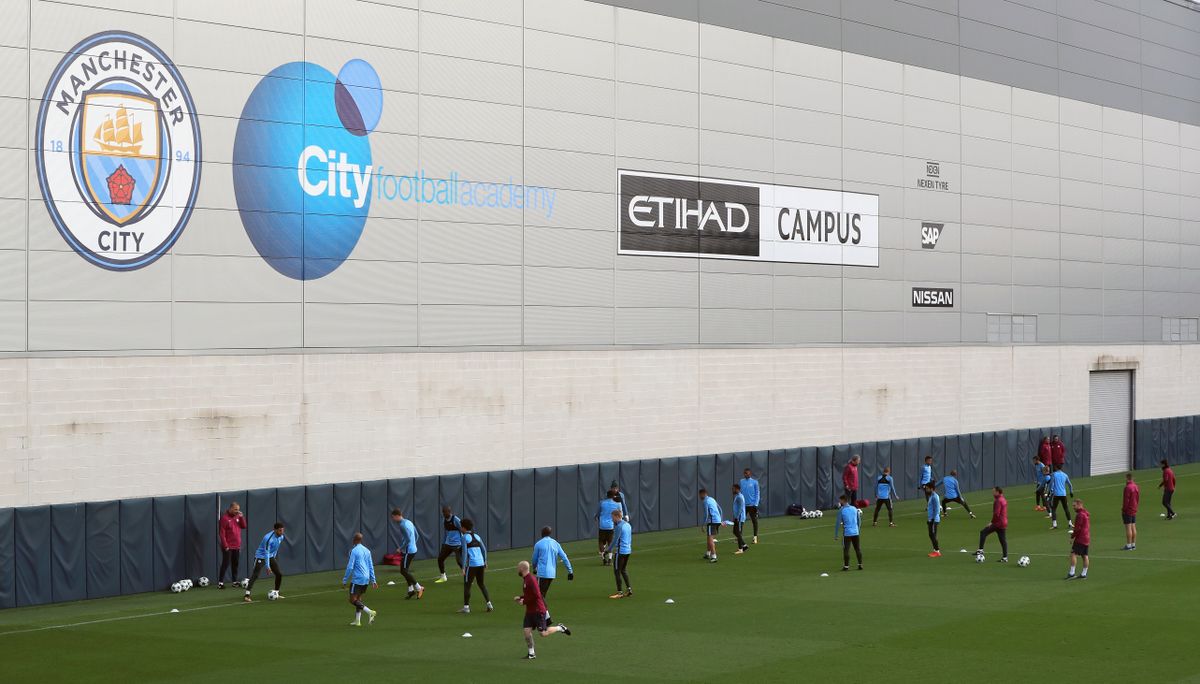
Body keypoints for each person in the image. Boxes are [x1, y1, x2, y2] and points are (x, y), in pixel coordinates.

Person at [514, 560, 571, 660]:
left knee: (543, 633)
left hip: (538, 610)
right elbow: (530, 594)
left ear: (522, 569)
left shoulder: (530, 580)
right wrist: (521, 597)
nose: (517, 569)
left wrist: (524, 601)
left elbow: (537, 595)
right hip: (530, 611)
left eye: (518, 568)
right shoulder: (526, 579)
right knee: (527, 631)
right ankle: (531, 653)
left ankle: (560, 628)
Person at [341, 532, 378, 626]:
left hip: (357, 578)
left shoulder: (354, 551)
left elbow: (350, 567)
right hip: (366, 579)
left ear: (355, 540)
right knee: (358, 599)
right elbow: (371, 566)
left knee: (352, 599)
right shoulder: (367, 551)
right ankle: (358, 621)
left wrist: (345, 579)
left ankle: (370, 612)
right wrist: (373, 580)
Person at [243, 522, 285, 603]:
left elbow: (275, 548)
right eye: (280, 530)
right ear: (275, 530)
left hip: (271, 556)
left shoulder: (281, 537)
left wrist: (274, 557)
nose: (282, 532)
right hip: (260, 556)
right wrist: (268, 566)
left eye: (282, 530)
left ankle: (276, 592)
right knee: (255, 575)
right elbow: (266, 552)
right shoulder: (268, 538)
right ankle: (247, 595)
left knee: (279, 574)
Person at [458, 518, 492, 614]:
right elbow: (484, 550)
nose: (460, 528)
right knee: (481, 584)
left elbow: (464, 553)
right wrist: (485, 561)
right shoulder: (477, 536)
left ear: (464, 528)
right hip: (481, 563)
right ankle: (489, 604)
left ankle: (466, 608)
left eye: (461, 526)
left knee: (467, 585)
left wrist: (463, 567)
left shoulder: (464, 537)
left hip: (472, 565)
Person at [531, 526, 574, 599]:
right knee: (542, 595)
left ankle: (544, 610)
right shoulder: (555, 543)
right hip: (551, 574)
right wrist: (570, 571)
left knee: (539, 596)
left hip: (542, 573)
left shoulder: (538, 544)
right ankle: (543, 610)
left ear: (542, 533)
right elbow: (564, 557)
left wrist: (534, 568)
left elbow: (534, 559)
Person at [390, 508, 424, 599]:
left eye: (393, 517)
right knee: (405, 571)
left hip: (408, 551)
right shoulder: (409, 522)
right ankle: (411, 590)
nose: (393, 520)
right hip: (412, 549)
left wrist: (400, 548)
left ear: (397, 516)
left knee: (403, 571)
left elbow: (408, 540)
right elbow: (417, 535)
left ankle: (419, 587)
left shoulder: (402, 525)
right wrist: (413, 545)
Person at [217, 501, 246, 589]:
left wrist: (241, 517)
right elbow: (222, 533)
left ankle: (234, 581)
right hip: (228, 546)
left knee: (235, 564)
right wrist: (225, 545)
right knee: (225, 563)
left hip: (237, 545)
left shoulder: (238, 516)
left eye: (238, 509)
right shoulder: (224, 518)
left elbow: (244, 526)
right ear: (230, 509)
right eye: (235, 509)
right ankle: (220, 583)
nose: (237, 511)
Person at [976, 487, 1008, 562]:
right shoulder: (1003, 499)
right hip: (1004, 522)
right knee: (1003, 540)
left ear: (997, 492)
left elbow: (996, 514)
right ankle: (1005, 557)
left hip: (998, 522)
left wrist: (992, 522)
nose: (992, 493)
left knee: (983, 532)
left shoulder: (998, 501)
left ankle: (980, 550)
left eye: (993, 492)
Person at [607, 509, 632, 598]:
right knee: (623, 570)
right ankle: (629, 589)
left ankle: (619, 592)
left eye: (612, 517)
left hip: (620, 552)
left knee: (617, 571)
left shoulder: (619, 526)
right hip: (628, 551)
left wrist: (608, 550)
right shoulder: (628, 525)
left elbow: (615, 540)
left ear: (617, 516)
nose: (612, 519)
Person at [834, 494, 863, 571]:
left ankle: (846, 566)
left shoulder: (841, 510)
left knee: (846, 549)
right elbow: (859, 521)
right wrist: (858, 529)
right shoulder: (854, 508)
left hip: (847, 533)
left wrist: (836, 535)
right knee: (857, 548)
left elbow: (837, 523)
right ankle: (860, 565)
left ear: (843, 500)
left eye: (840, 500)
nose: (839, 502)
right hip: (856, 532)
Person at [434, 506, 463, 583]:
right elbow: (446, 532)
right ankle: (443, 577)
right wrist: (444, 543)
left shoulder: (456, 520)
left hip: (457, 544)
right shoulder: (444, 520)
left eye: (445, 512)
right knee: (440, 559)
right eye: (443, 512)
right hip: (448, 544)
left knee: (460, 562)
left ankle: (468, 577)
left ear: (449, 512)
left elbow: (462, 530)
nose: (443, 513)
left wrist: (463, 542)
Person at [596, 490, 623, 565]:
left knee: (601, 541)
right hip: (610, 526)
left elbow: (598, 513)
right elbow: (620, 514)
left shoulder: (602, 502)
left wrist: (596, 517)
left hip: (602, 525)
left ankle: (604, 558)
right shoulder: (617, 504)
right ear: (613, 496)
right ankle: (610, 559)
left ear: (607, 495)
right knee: (610, 542)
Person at [1066, 498, 1090, 580]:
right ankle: (1084, 574)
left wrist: (1072, 537)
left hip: (1080, 538)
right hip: (1086, 538)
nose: (1073, 507)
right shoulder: (1085, 513)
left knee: (1073, 554)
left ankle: (1072, 573)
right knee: (1085, 555)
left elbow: (1077, 529)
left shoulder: (1080, 515)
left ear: (1079, 505)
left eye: (1074, 505)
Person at [699, 488, 722, 563]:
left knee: (710, 539)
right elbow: (720, 509)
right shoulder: (712, 499)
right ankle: (708, 553)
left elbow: (706, 514)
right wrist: (720, 519)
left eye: (700, 495)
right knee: (709, 537)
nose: (699, 497)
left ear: (703, 494)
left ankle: (714, 556)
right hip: (717, 521)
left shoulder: (705, 501)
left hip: (712, 521)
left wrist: (703, 525)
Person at [739, 468, 761, 543]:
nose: (746, 474)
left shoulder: (755, 482)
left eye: (747, 473)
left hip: (752, 505)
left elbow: (757, 493)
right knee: (740, 521)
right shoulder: (741, 481)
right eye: (745, 473)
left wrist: (756, 504)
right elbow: (740, 493)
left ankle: (755, 537)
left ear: (750, 474)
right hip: (743, 505)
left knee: (754, 521)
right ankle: (739, 536)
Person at [1049, 464, 1074, 530]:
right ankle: (1070, 523)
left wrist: (1050, 491)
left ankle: (1054, 524)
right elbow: (1070, 485)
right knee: (1066, 508)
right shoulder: (1065, 475)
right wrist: (1071, 492)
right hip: (1063, 494)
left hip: (1056, 495)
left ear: (1056, 467)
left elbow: (1051, 484)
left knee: (1054, 509)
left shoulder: (1054, 474)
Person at [1121, 473, 1139, 551]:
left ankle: (1128, 545)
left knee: (1128, 527)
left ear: (1127, 478)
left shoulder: (1127, 488)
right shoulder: (1136, 486)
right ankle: (1133, 544)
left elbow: (1126, 500)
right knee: (1133, 526)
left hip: (1128, 509)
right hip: (1134, 508)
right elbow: (1138, 498)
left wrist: (1124, 509)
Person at [730, 483, 748, 554]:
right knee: (735, 531)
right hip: (737, 517)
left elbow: (740, 508)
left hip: (739, 518)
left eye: (733, 489)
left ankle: (741, 549)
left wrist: (737, 517)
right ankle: (744, 545)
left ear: (737, 489)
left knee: (738, 532)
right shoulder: (737, 496)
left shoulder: (740, 497)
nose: (732, 490)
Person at [925, 483, 941, 557]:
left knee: (933, 535)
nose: (926, 490)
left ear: (932, 489)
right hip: (931, 519)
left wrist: (933, 519)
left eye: (927, 488)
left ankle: (937, 551)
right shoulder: (931, 496)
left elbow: (937, 509)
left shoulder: (935, 497)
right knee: (931, 535)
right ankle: (935, 550)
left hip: (934, 520)